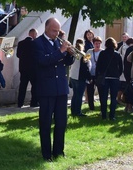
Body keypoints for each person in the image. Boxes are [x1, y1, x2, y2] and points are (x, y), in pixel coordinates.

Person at [34, 18, 74, 161]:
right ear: (46, 28)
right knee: (45, 123)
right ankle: (46, 154)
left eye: (58, 30)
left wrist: (69, 53)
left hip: (61, 88)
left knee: (61, 122)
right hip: (46, 89)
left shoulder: (58, 42)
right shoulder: (37, 43)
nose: (56, 33)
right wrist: (61, 50)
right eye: (54, 30)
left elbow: (67, 62)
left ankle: (59, 151)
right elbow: (43, 61)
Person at [96, 37, 122, 120]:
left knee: (104, 97)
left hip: (104, 77)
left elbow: (98, 66)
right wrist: (117, 75)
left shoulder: (102, 53)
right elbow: (121, 68)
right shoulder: (117, 54)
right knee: (113, 98)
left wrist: (98, 75)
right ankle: (112, 116)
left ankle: (104, 115)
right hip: (114, 78)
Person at [69, 39, 92, 117]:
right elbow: (86, 68)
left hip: (73, 76)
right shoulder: (85, 55)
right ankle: (78, 112)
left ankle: (73, 111)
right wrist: (89, 78)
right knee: (79, 96)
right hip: (80, 78)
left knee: (75, 95)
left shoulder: (73, 53)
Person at [16, 28, 38, 107]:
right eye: (36, 34)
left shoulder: (20, 43)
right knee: (34, 86)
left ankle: (20, 103)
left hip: (23, 68)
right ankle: (34, 103)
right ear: (33, 34)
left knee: (22, 86)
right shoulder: (35, 43)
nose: (36, 36)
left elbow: (18, 55)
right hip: (33, 68)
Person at [85, 36, 102, 110]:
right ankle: (91, 107)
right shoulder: (89, 51)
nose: (97, 45)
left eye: (99, 43)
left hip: (99, 74)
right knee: (90, 91)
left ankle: (102, 105)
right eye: (96, 43)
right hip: (91, 74)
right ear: (93, 44)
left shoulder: (102, 52)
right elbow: (85, 61)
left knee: (101, 91)